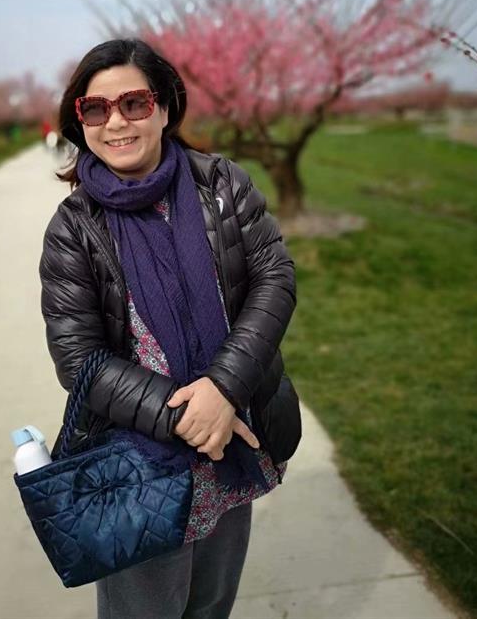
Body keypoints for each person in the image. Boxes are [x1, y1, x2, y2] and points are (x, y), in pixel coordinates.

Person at [39, 38, 298, 619]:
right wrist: (187, 416)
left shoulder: (222, 185)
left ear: (164, 107)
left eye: (134, 103)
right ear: (80, 122)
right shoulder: (73, 228)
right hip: (141, 461)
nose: (116, 122)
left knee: (211, 605)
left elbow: (274, 279)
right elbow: (79, 360)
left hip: (230, 440)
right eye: (95, 109)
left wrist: (223, 389)